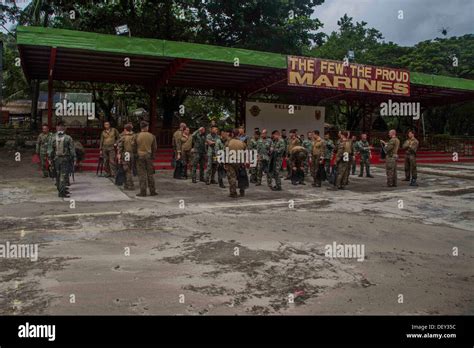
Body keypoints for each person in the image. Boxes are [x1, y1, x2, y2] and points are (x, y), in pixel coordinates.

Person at [48, 121, 76, 198]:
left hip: (57, 159)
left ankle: (61, 189)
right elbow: (72, 150)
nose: (60, 127)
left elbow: (50, 150)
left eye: (61, 126)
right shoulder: (68, 138)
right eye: (59, 126)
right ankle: (61, 192)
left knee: (58, 175)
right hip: (63, 159)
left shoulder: (53, 137)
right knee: (62, 175)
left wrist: (50, 159)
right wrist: (74, 158)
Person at [135, 121, 157, 196]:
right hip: (148, 156)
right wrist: (153, 156)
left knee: (142, 174)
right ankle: (152, 191)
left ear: (141, 127)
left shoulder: (137, 135)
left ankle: (143, 191)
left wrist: (135, 155)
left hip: (140, 156)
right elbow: (154, 148)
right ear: (146, 127)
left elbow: (133, 146)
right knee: (150, 174)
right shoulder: (152, 136)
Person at [225, 129, 247, 198]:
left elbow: (225, 152)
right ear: (238, 134)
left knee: (232, 177)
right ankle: (242, 191)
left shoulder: (228, 142)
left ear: (232, 134)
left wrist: (224, 163)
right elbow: (245, 152)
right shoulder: (242, 143)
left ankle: (233, 192)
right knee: (241, 177)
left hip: (230, 162)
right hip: (239, 162)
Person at [117, 123, 136, 190]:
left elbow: (120, 148)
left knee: (127, 170)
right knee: (129, 169)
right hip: (132, 154)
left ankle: (130, 185)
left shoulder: (123, 137)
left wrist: (119, 157)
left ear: (125, 129)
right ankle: (127, 185)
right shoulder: (135, 136)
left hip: (126, 154)